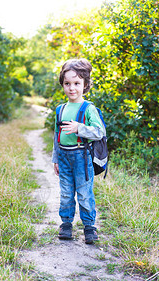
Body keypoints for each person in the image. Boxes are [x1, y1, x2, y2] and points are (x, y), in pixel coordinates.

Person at [52, 58, 105, 244]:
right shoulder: (61, 109)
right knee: (66, 192)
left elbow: (99, 132)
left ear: (85, 85)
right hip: (64, 157)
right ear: (63, 84)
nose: (71, 88)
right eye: (67, 83)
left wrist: (79, 128)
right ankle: (66, 224)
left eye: (76, 83)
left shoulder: (88, 108)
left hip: (82, 157)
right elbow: (57, 136)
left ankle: (89, 227)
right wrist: (55, 158)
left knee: (84, 193)